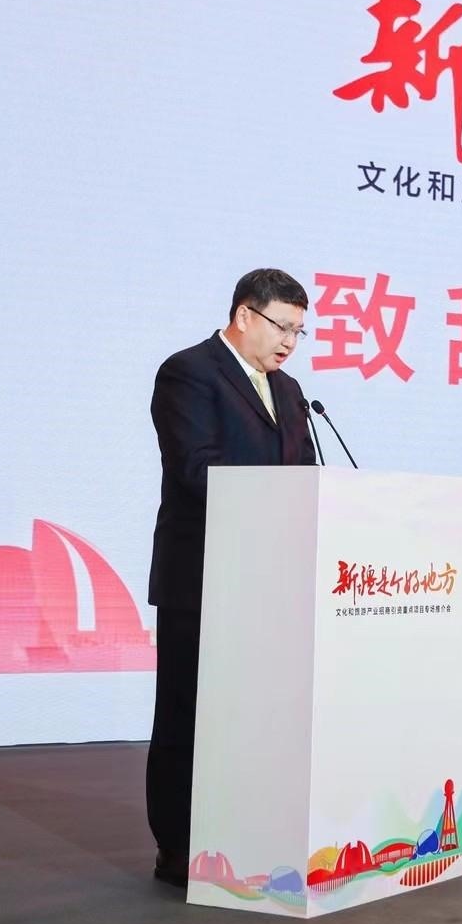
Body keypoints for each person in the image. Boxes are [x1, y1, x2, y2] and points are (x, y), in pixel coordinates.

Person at [145, 268, 319, 886]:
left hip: (269, 583)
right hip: (202, 580)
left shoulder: (290, 390)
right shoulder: (188, 372)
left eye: (299, 331)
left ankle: (248, 836)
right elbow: (196, 469)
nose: (290, 342)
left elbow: (306, 474)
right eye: (283, 327)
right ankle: (178, 849)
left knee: (257, 720)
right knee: (188, 717)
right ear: (245, 315)